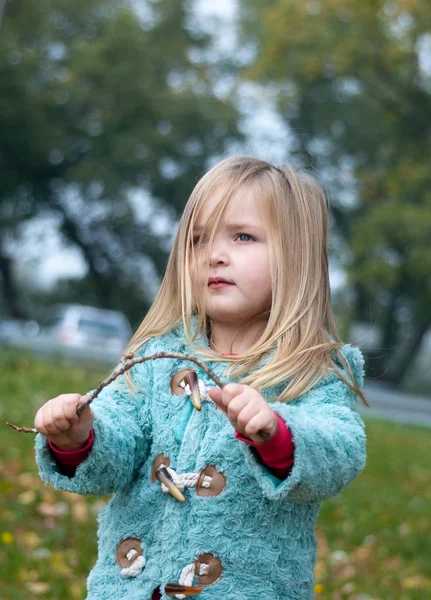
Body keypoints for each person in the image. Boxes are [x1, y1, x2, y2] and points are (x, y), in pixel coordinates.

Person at [34, 156, 367, 600]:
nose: (214, 254)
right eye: (197, 239)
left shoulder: (315, 366)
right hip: (130, 588)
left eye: (243, 236)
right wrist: (80, 437)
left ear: (297, 254)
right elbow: (119, 441)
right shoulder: (156, 355)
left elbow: (339, 450)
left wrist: (278, 432)